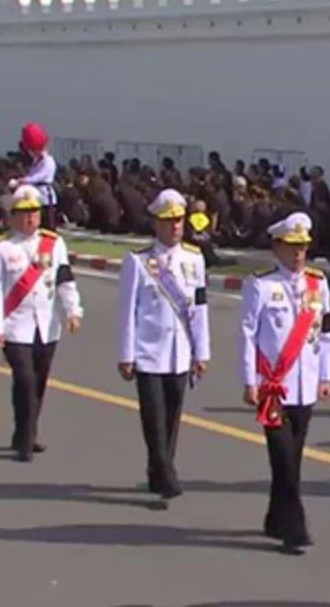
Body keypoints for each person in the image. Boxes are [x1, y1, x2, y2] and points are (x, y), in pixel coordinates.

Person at [239, 212, 330, 555]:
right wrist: (250, 380)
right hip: (273, 386)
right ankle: (295, 528)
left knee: (292, 457)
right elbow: (248, 334)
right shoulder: (261, 285)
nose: (299, 254)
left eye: (303, 247)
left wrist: (326, 375)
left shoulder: (317, 284)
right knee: (282, 457)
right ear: (277, 247)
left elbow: (326, 333)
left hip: (306, 383)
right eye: (292, 247)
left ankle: (274, 516)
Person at [117, 189, 211, 500]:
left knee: (172, 418)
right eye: (168, 221)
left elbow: (199, 309)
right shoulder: (139, 262)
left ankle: (158, 470)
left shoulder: (194, 260)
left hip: (180, 353)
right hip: (148, 352)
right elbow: (127, 310)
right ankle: (166, 473)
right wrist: (126, 354)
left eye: (178, 220)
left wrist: (202, 351)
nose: (174, 226)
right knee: (154, 419)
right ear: (156, 224)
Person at [0, 185, 83, 462]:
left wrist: (73, 311)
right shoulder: (1, 247)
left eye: (34, 213)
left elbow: (64, 279)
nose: (30, 219)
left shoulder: (54, 243)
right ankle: (25, 440)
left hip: (46, 325)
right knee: (25, 380)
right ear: (13, 217)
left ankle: (26, 432)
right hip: (15, 325)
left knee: (38, 382)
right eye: (24, 214)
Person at [15, 122, 59, 230]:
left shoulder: (48, 161)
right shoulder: (36, 161)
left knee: (48, 227)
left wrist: (25, 180)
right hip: (35, 196)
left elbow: (39, 176)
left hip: (46, 198)